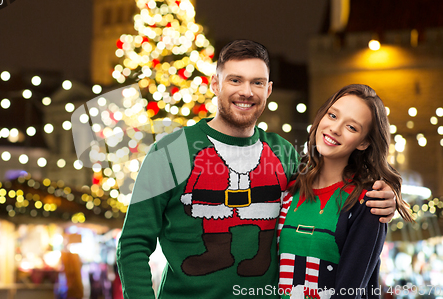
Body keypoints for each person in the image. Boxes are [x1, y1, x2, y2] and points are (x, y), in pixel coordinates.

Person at [117, 40, 397, 298]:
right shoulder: (171, 151)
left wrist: (385, 195)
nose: (246, 92)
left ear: (268, 90)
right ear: (215, 84)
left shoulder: (284, 153)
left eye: (257, 82)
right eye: (235, 80)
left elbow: (329, 180)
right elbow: (133, 244)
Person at [277, 84, 413, 299]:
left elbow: (350, 293)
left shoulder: (367, 203)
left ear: (363, 143)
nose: (335, 128)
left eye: (352, 127)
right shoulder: (288, 188)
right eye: (332, 115)